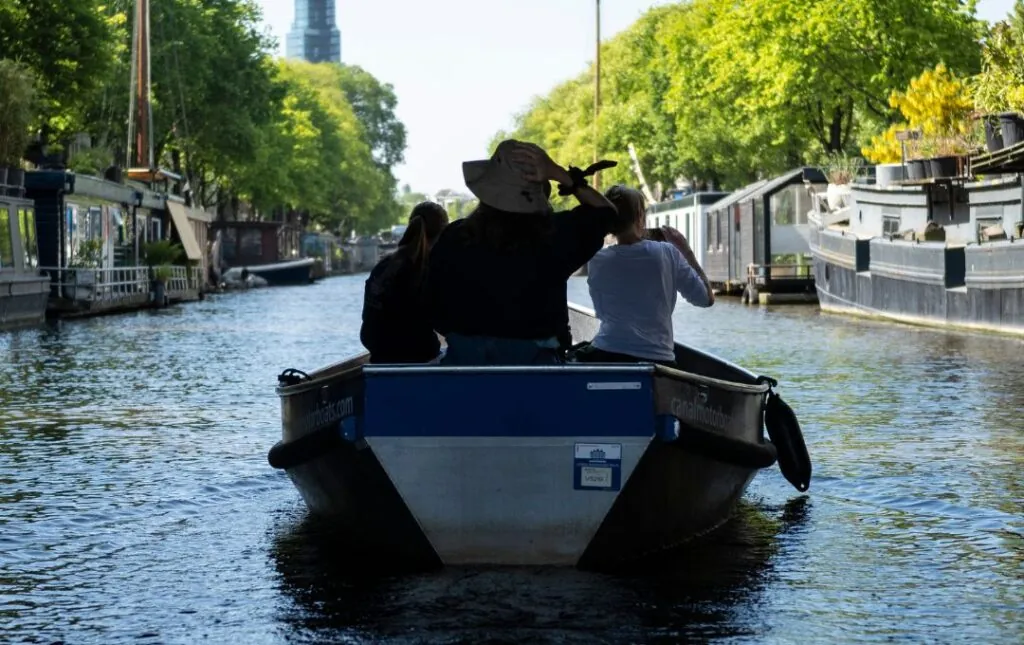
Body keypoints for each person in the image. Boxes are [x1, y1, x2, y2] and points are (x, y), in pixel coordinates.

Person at [427, 140, 617, 365]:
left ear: (488, 187)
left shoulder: (454, 237)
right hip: (539, 374)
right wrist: (558, 173)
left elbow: (434, 310)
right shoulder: (555, 235)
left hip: (466, 367)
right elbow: (607, 214)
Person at [574, 184, 714, 368]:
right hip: (660, 358)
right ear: (640, 216)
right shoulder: (668, 253)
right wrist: (685, 250)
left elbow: (601, 313)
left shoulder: (597, 260)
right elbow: (706, 299)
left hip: (607, 353)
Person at [360, 201, 449, 363]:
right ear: (443, 233)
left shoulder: (384, 265)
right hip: (419, 355)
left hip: (379, 354)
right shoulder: (430, 269)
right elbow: (445, 321)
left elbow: (369, 315)